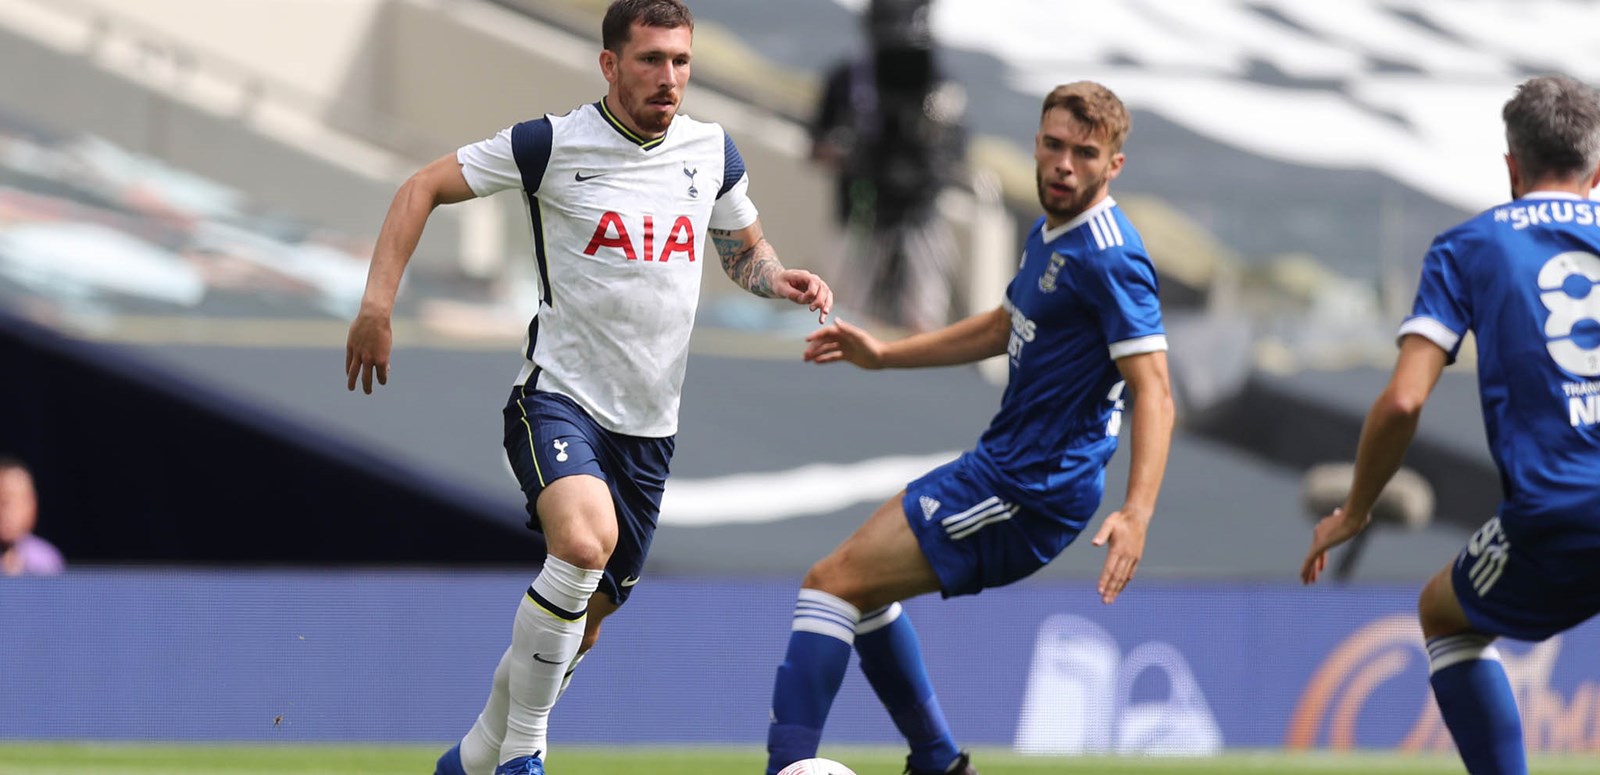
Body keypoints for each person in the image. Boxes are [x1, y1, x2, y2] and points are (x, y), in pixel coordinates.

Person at [343, 2, 833, 773]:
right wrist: (376, 306)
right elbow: (421, 186)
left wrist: (779, 278)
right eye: (650, 60)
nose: (668, 77)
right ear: (610, 64)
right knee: (580, 544)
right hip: (558, 399)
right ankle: (523, 756)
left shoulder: (712, 151)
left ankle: (472, 757)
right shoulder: (550, 144)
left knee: (586, 621)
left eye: (680, 61)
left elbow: (743, 251)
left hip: (650, 431)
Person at [765, 81, 1174, 775]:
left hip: (1031, 487)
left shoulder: (1110, 256)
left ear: (1114, 165)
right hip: (1005, 465)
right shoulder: (1053, 231)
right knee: (858, 589)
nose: (1064, 165)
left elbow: (1155, 390)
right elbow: (1004, 324)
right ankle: (938, 762)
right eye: (1054, 146)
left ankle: (790, 767)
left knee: (831, 583)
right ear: (1036, 145)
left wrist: (1137, 512)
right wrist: (886, 354)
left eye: (1085, 153)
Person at [1300, 74, 1600, 775]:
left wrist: (1357, 509)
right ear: (1597, 171)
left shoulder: (1469, 246)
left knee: (1444, 615)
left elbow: (1403, 401)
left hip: (1559, 509)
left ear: (1512, 168)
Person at [809, 0, 967, 333]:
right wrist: (850, 153)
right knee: (845, 316)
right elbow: (816, 147)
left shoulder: (936, 83)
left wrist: (931, 142)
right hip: (860, 212)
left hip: (920, 212)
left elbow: (956, 151)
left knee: (923, 316)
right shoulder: (847, 81)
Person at [0, 457, 64, 577]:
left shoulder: (46, 559)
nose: (8, 512)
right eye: (3, 501)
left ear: (33, 506)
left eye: (19, 502)